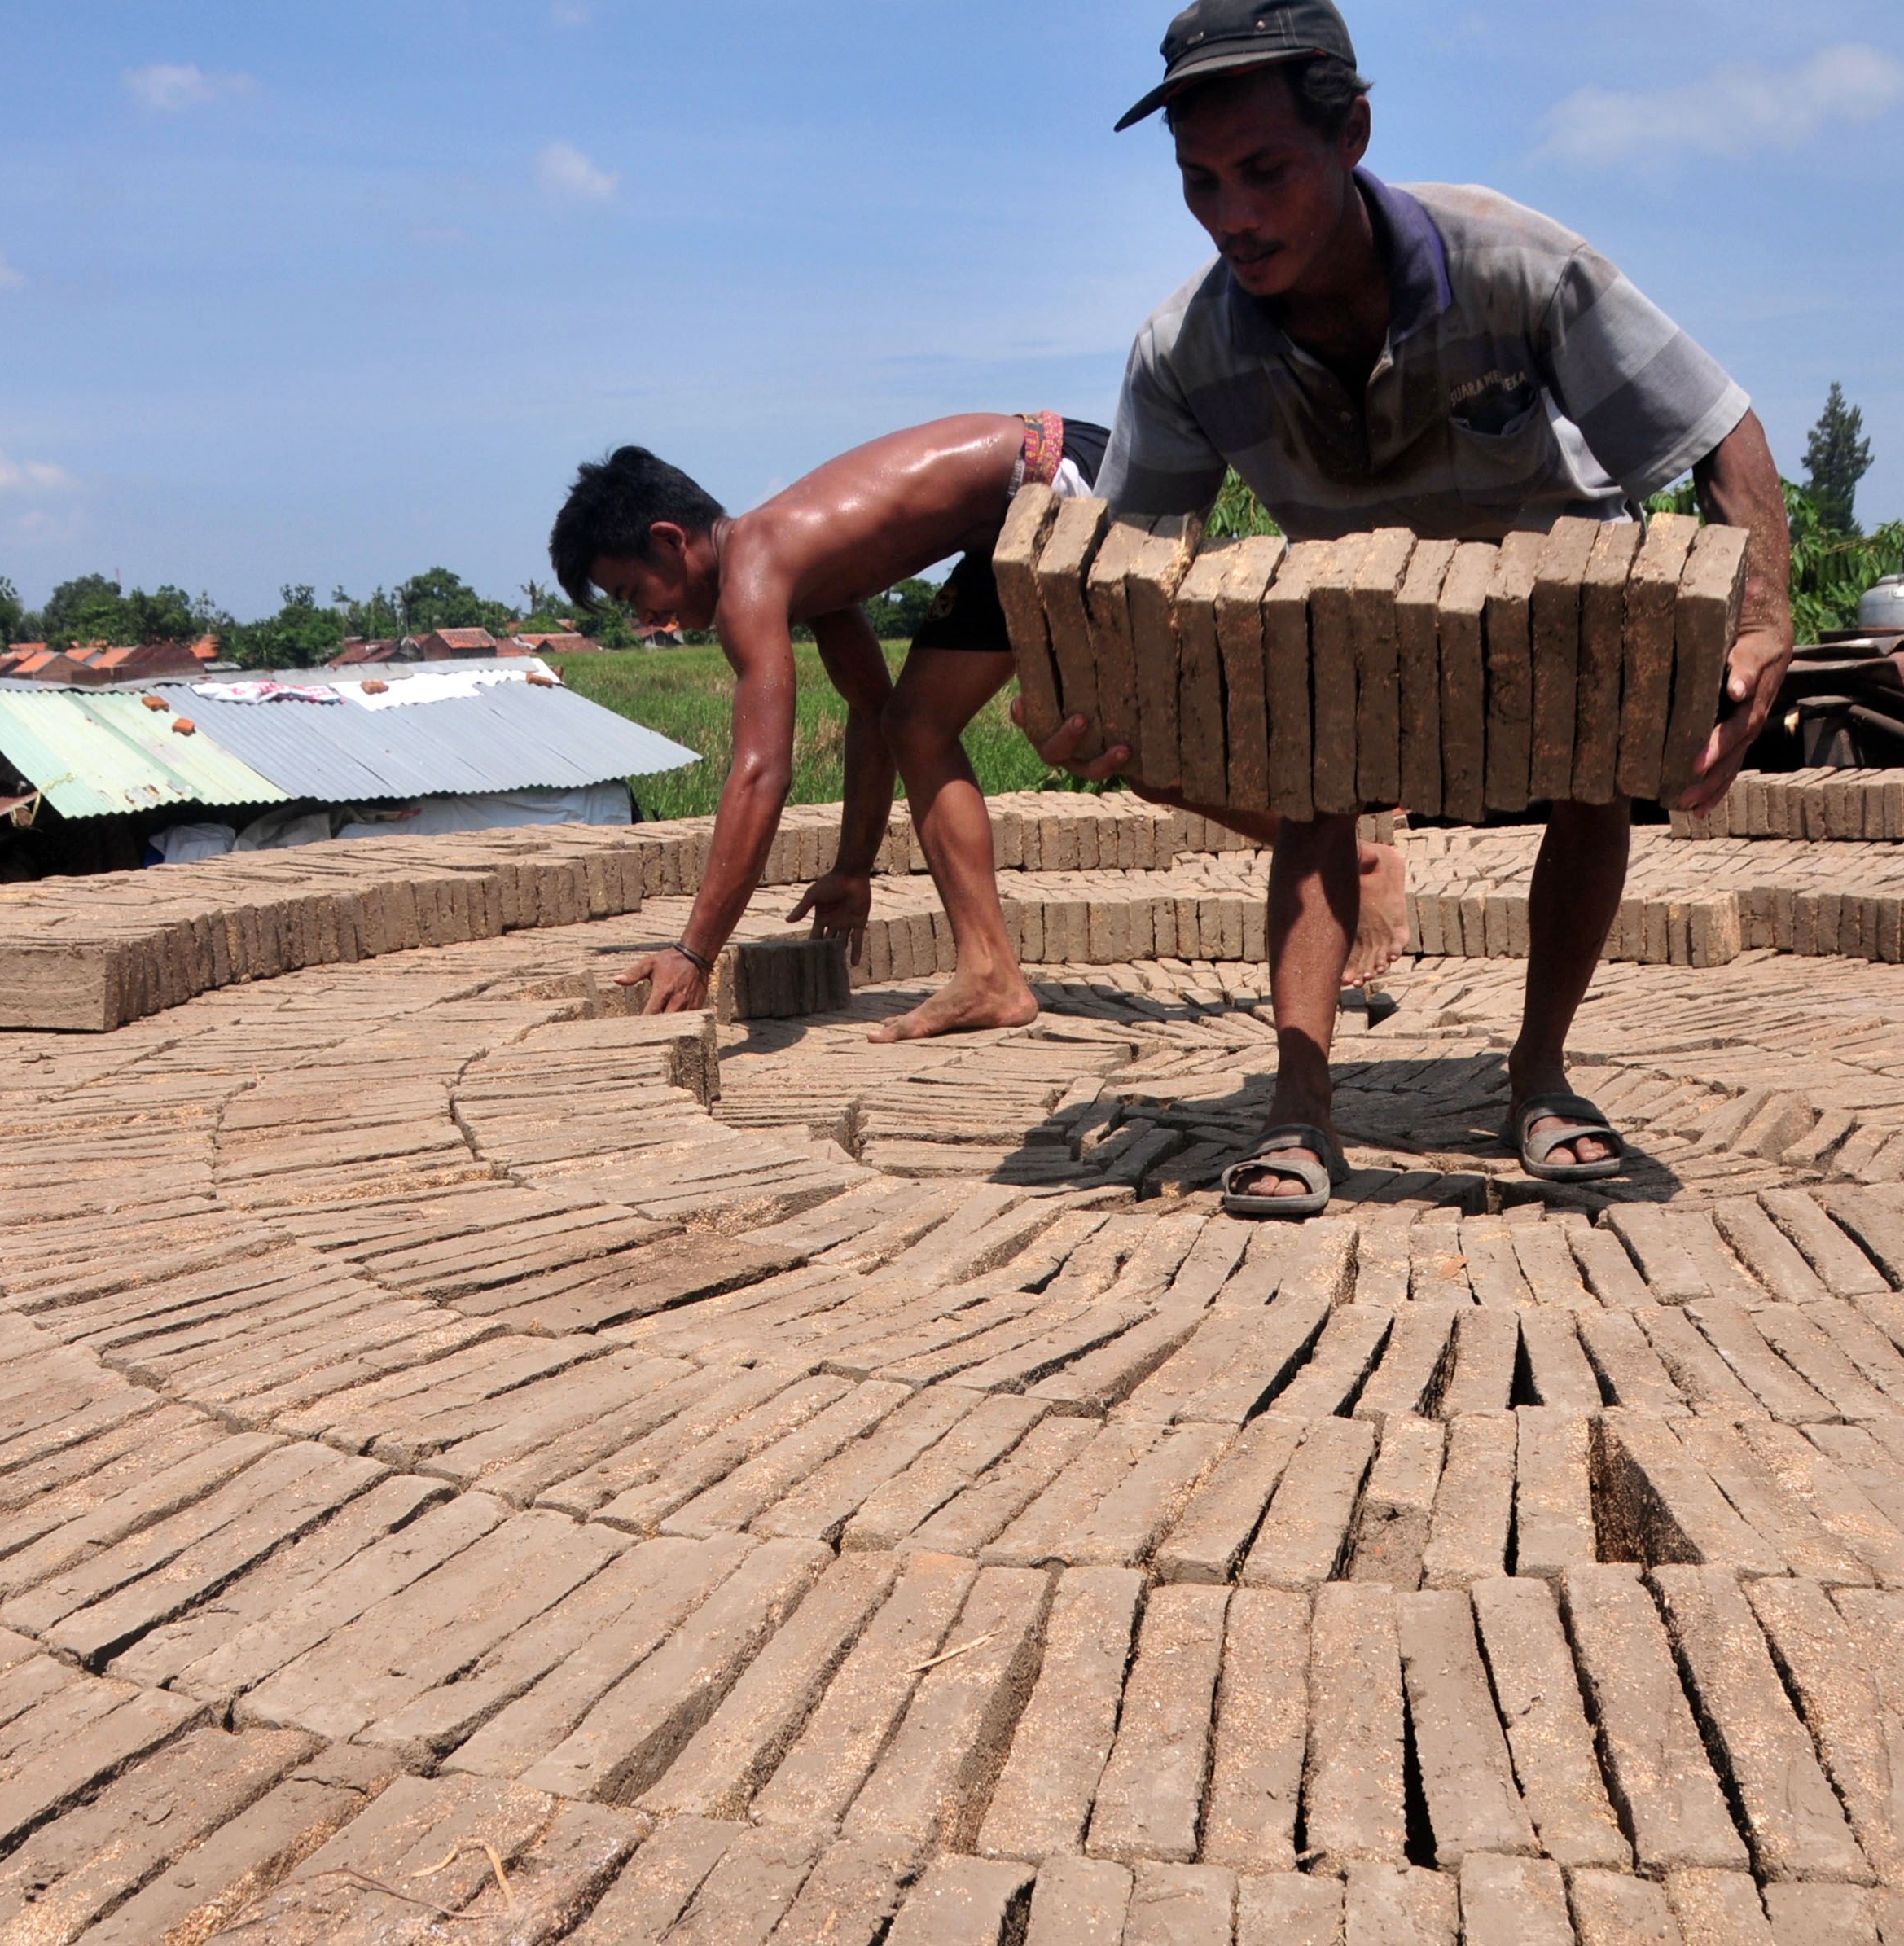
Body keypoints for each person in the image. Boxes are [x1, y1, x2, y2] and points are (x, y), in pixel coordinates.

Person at [1031, 0, 1794, 1212]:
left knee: (1590, 778)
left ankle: (1539, 1074)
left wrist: (1762, 623)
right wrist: (1106, 704)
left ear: (1353, 136)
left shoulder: (1516, 261)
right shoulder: (1184, 348)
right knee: (1312, 785)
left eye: (1266, 171)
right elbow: (1135, 567)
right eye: (1201, 181)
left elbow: (1716, 428)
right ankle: (1298, 1104)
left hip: (1553, 588)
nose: (1233, 214)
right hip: (1354, 605)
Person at [550, 417, 1411, 1041]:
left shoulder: (755, 574)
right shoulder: (798, 564)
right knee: (920, 722)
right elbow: (871, 714)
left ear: (670, 541)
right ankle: (991, 971)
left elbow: (760, 772)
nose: (654, 621)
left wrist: (695, 952)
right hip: (1024, 510)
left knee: (1125, 750)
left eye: (636, 594)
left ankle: (1351, 859)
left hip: (1065, 490)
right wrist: (853, 868)